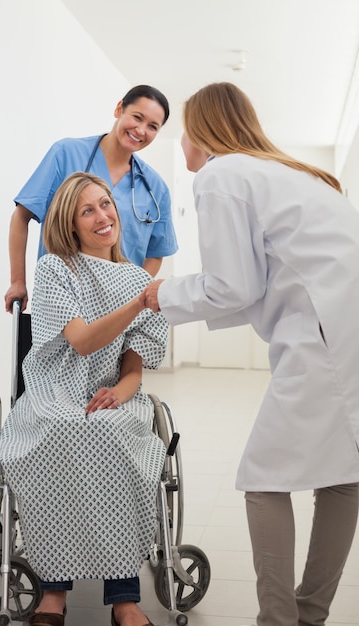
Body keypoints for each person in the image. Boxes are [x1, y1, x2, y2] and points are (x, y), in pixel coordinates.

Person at [144, 82, 359, 626]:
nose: (181, 142)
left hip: (324, 336)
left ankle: (280, 621)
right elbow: (258, 285)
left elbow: (233, 286)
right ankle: (309, 615)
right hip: (342, 328)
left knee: (264, 477)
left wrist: (160, 294)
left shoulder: (222, 175)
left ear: (204, 130)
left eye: (182, 128)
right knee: (344, 473)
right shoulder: (297, 174)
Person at [0, 172, 169, 626]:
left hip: (112, 396)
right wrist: (138, 302)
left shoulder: (135, 276)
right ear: (71, 224)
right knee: (63, 431)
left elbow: (133, 368)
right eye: (87, 210)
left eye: (106, 204)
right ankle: (54, 592)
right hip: (54, 392)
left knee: (112, 436)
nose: (102, 216)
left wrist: (118, 393)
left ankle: (125, 599)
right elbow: (83, 343)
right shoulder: (56, 268)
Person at [4, 84, 178, 313]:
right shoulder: (66, 153)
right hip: (61, 301)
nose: (141, 130)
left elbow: (155, 253)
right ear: (119, 109)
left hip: (116, 308)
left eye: (153, 126)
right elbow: (21, 216)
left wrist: (131, 294)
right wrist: (18, 282)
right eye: (137, 117)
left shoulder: (156, 188)